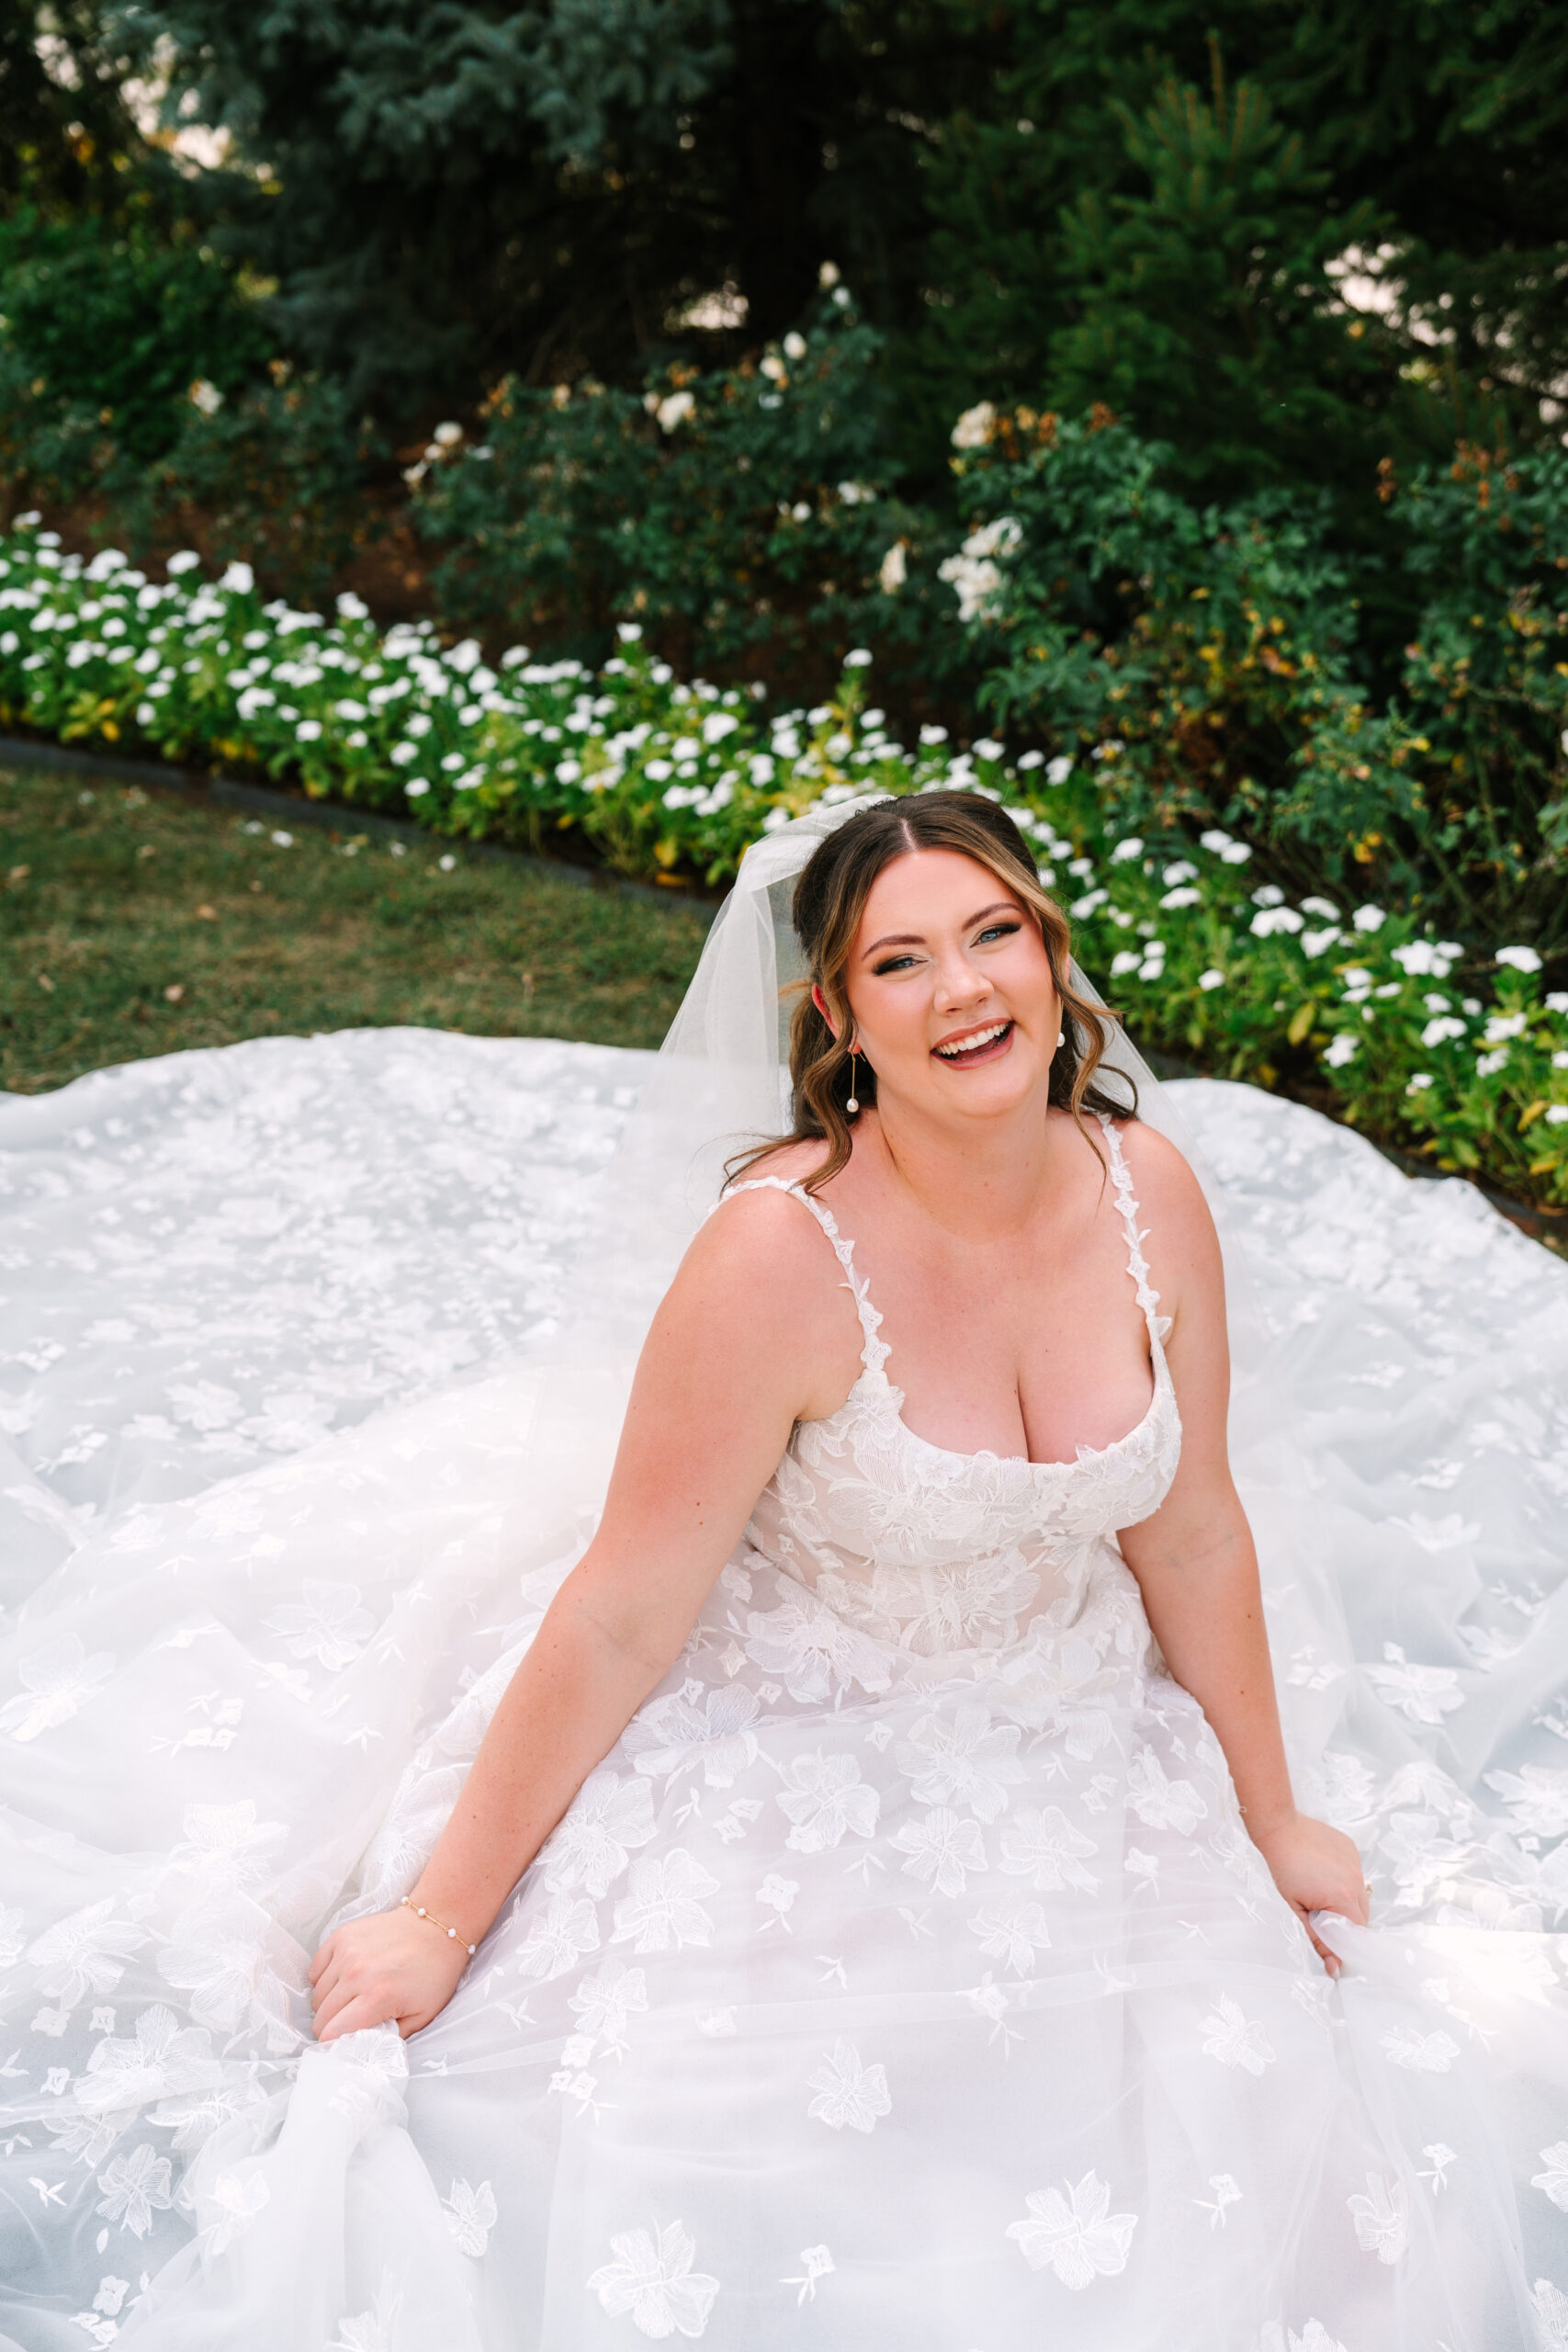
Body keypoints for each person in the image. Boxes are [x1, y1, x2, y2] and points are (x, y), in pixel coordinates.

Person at [0, 792, 1559, 2349]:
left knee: (1250, 2142)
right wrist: (440, 1919)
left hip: (1075, 1727)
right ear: (836, 1016)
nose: (963, 990)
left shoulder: (1148, 1190)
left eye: (993, 934)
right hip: (796, 1735)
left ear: (1051, 952)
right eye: (903, 962)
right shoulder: (776, 1260)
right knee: (744, 2156)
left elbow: (1195, 1521)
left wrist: (1275, 1815)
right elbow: (622, 1611)